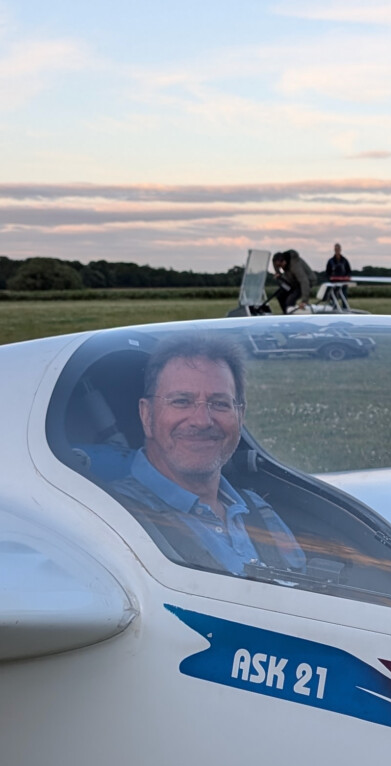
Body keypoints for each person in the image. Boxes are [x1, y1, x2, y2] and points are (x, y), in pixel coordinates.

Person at [105, 333, 304, 577]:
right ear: (147, 415)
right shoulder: (111, 518)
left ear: (240, 416)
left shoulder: (256, 509)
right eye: (181, 401)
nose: (202, 421)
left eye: (220, 404)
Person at [271, 249, 315, 314]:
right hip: (294, 281)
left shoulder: (295, 266)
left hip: (306, 282)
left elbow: (304, 281)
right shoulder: (282, 262)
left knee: (290, 300)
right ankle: (286, 313)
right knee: (280, 295)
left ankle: (291, 316)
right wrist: (278, 273)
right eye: (278, 266)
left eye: (280, 265)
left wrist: (304, 301)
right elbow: (275, 264)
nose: (280, 267)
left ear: (284, 261)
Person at [322, 242, 353, 311]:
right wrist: (330, 278)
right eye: (336, 249)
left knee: (344, 296)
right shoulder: (330, 261)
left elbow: (349, 271)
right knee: (333, 297)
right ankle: (334, 308)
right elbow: (327, 273)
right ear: (334, 250)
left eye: (338, 249)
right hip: (334, 283)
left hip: (343, 283)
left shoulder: (344, 261)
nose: (337, 250)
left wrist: (346, 277)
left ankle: (345, 309)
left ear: (340, 250)